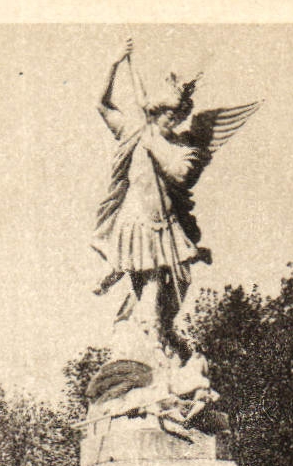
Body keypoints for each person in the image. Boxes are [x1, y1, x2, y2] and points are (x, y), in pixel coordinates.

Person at [92, 39, 259, 365]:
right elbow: (102, 105)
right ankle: (152, 339)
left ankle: (161, 334)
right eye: (162, 115)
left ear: (181, 116)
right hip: (136, 221)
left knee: (175, 285)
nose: (168, 121)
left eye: (173, 117)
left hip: (166, 225)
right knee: (151, 281)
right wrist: (114, 64)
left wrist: (155, 144)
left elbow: (181, 176)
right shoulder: (134, 131)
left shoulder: (186, 147)